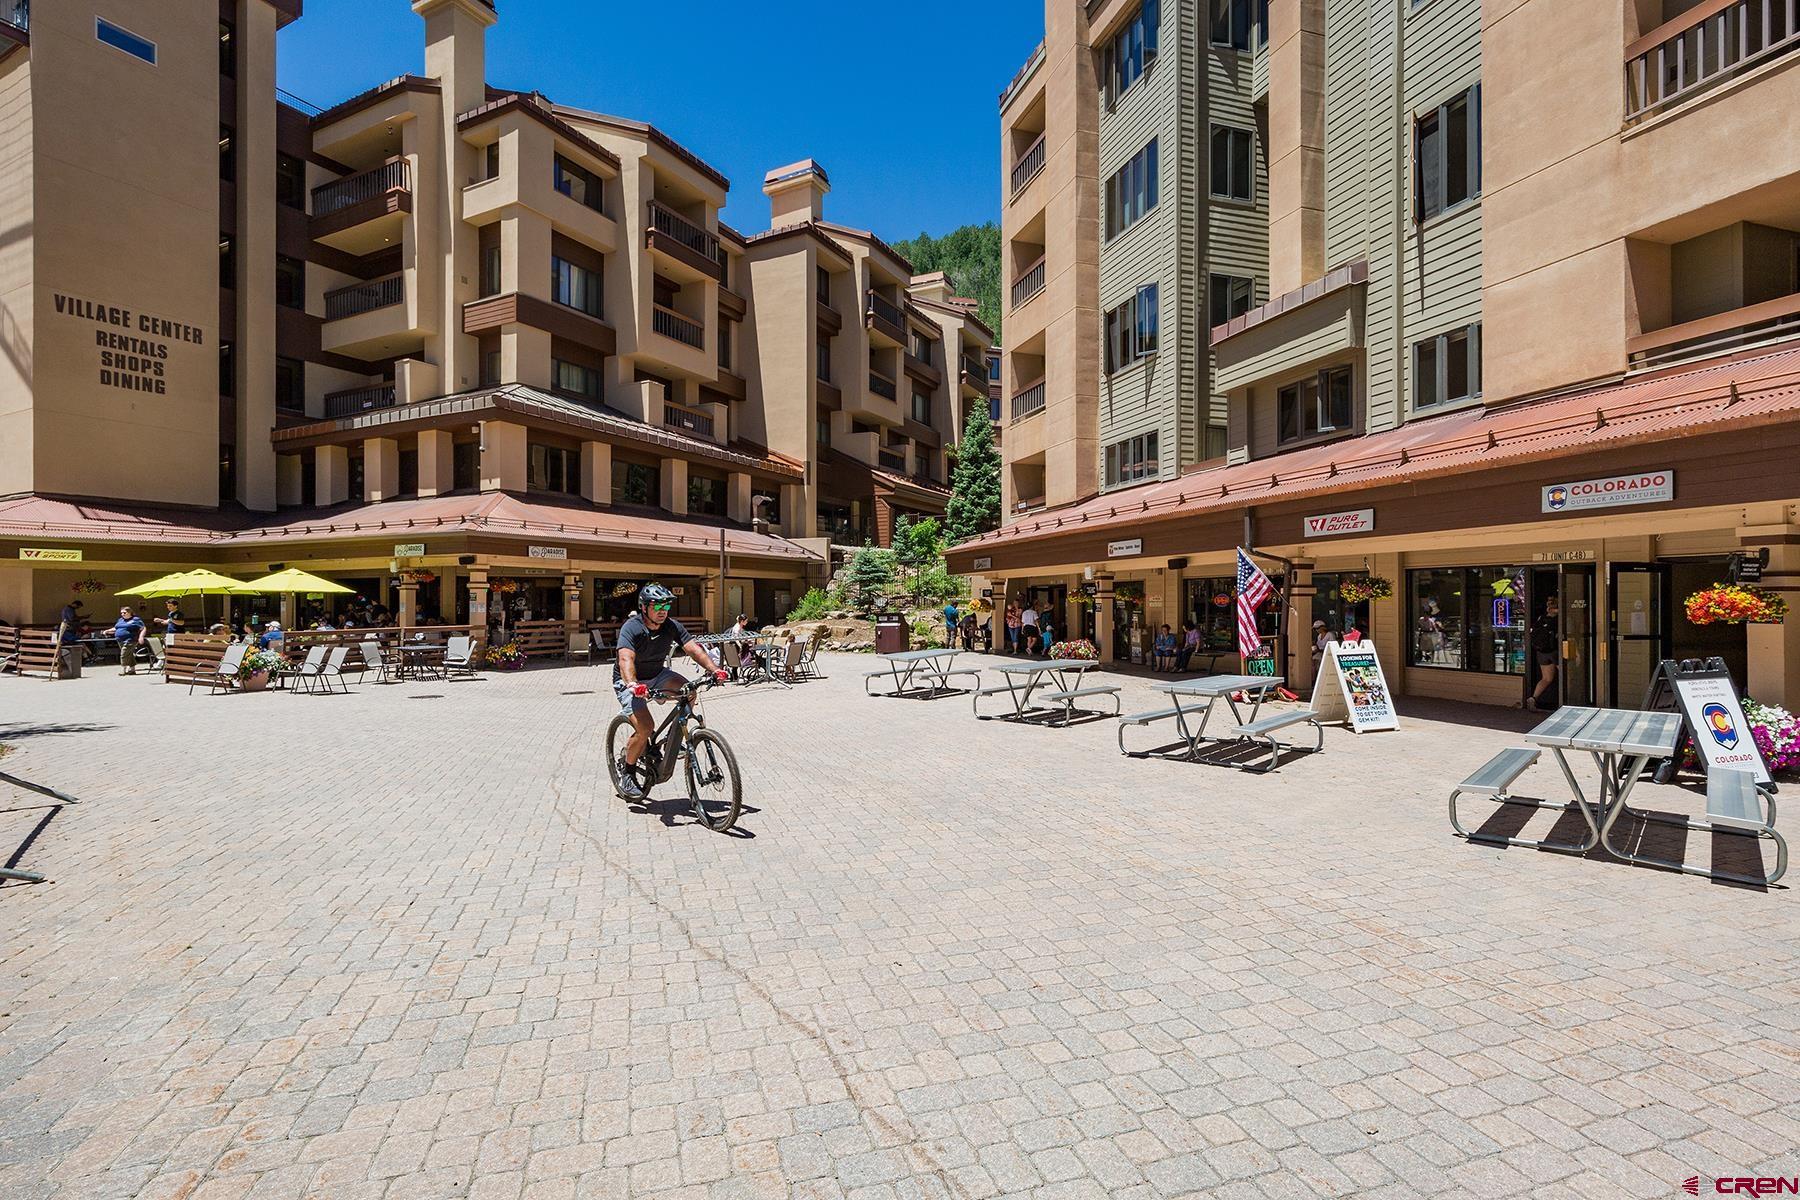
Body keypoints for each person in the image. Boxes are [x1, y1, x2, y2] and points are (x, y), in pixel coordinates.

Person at [612, 582, 729, 801]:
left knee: (689, 692)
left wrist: (715, 670)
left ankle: (671, 739)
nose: (662, 611)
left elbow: (693, 649)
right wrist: (632, 685)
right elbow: (625, 659)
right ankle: (626, 771)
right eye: (657, 606)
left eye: (666, 606)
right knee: (645, 728)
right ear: (644, 607)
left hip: (658, 674)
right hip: (631, 680)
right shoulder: (632, 627)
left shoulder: (671, 626)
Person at [1525, 596, 1560, 711]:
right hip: (1556, 651)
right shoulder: (1560, 618)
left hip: (1542, 652)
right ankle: (1568, 701)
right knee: (1566, 676)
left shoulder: (1541, 618)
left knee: (1546, 678)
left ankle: (1534, 698)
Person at [112, 605, 148, 674]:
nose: (122, 614)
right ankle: (132, 669)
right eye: (121, 613)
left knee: (124, 653)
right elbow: (116, 628)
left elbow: (143, 628)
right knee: (129, 654)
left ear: (130, 612)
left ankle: (123, 669)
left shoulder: (135, 619)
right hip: (120, 640)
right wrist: (107, 631)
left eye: (124, 613)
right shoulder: (120, 620)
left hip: (131, 640)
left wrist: (141, 637)